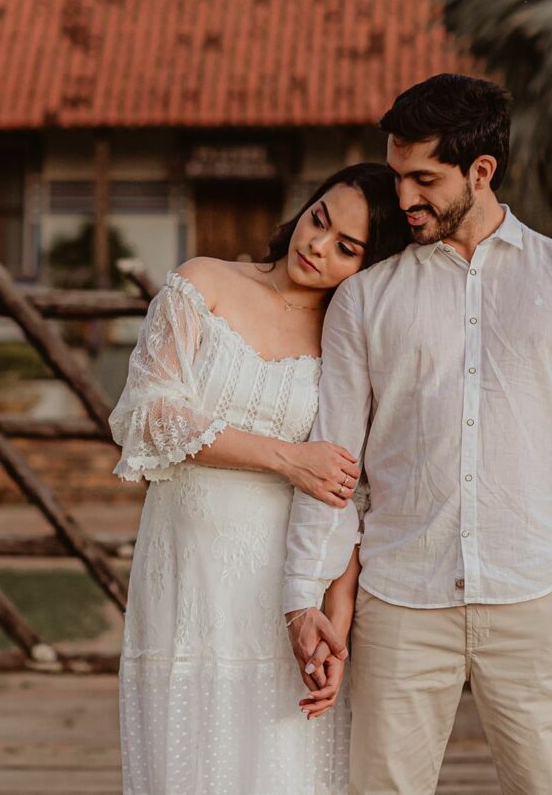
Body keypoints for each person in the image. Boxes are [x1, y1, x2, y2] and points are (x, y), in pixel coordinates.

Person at [283, 74, 552, 795]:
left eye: (425, 178)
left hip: (535, 597)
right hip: (399, 604)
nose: (405, 199)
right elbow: (335, 468)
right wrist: (306, 598)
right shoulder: (364, 298)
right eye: (397, 177)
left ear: (481, 171)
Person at [111, 162, 412, 795]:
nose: (316, 246)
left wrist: (339, 612)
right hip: (187, 572)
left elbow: (348, 489)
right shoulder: (204, 284)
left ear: (371, 264)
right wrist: (286, 457)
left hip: (286, 584)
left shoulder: (347, 340)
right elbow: (151, 416)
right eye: (318, 219)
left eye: (345, 247)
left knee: (281, 766)